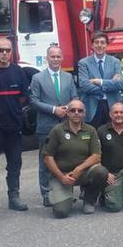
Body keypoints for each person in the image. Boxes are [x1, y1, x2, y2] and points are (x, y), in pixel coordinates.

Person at [0, 38, 31, 212]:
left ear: (12, 52)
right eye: (0, 50)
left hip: (14, 127)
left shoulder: (18, 72)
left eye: (7, 50)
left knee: (15, 164)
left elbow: (23, 97)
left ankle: (14, 197)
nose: (4, 53)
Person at [41, 100, 108, 218]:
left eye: (80, 110)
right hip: (61, 175)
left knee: (101, 171)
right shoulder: (57, 130)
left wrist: (79, 169)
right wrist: (61, 177)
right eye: (73, 110)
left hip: (83, 173)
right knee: (61, 212)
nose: (76, 113)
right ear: (67, 113)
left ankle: (89, 200)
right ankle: (66, 196)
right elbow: (47, 157)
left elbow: (96, 156)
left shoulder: (91, 130)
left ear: (84, 113)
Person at [30, 45, 78, 207]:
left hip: (66, 124)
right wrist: (54, 110)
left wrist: (67, 108)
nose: (56, 59)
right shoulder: (37, 78)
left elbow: (75, 96)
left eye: (58, 57)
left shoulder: (68, 77)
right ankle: (46, 193)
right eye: (53, 57)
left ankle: (64, 192)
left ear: (62, 58)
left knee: (65, 158)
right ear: (47, 58)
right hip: (47, 126)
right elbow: (34, 101)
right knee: (46, 160)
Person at [77, 32, 123, 128]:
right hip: (93, 106)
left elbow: (120, 84)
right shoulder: (83, 63)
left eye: (102, 42)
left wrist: (99, 82)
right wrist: (111, 83)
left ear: (107, 45)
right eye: (96, 42)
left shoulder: (115, 62)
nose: (99, 45)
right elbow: (84, 85)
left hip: (112, 105)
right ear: (92, 45)